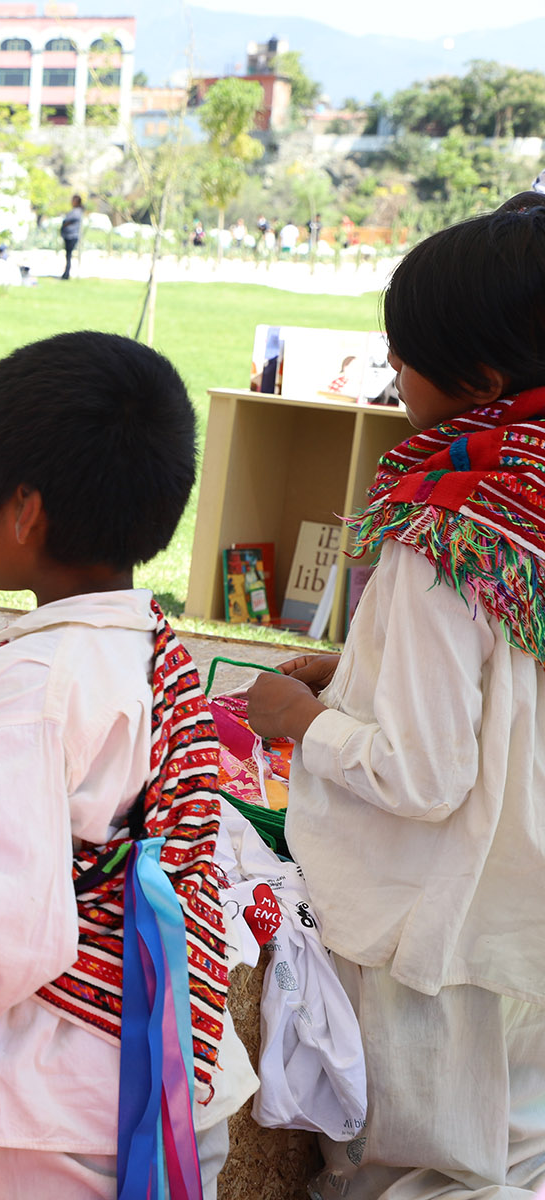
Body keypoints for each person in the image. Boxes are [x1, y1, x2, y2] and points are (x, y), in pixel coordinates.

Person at [0, 331, 255, 1198]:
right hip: (176, 1065)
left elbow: (9, 932)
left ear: (25, 510)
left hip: (65, 1106)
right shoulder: (152, 646)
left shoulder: (20, 686)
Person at [246, 193, 545, 1199]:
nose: (393, 372)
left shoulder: (446, 530)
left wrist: (306, 721)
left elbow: (422, 775)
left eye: (404, 352)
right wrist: (358, 671)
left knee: (434, 1174)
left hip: (443, 938)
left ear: (481, 378)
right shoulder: (533, 497)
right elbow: (507, 680)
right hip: (526, 914)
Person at [60, 193, 84, 280]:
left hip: (72, 236)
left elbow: (68, 221)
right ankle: (65, 273)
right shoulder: (74, 211)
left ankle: (66, 274)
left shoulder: (77, 212)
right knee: (68, 256)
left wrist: (65, 223)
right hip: (68, 235)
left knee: (69, 256)